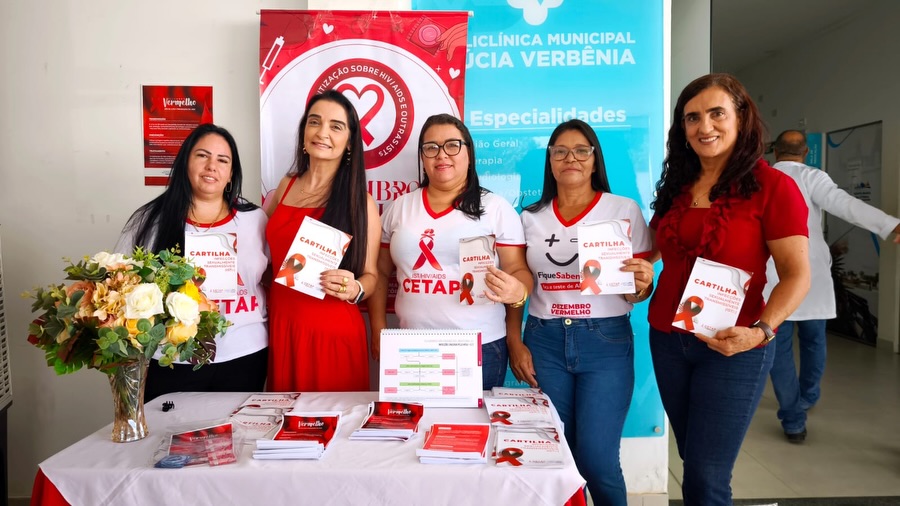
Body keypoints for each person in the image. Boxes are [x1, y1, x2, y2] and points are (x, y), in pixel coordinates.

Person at [649, 74, 810, 505]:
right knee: (694, 458)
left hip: (735, 347)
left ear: (742, 118)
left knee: (706, 476)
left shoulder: (774, 188)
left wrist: (762, 331)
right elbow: (655, 248)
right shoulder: (676, 188)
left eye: (717, 113)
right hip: (667, 341)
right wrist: (637, 272)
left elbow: (797, 274)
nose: (705, 127)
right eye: (692, 118)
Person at [512, 119, 655, 506]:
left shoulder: (623, 209)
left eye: (581, 150)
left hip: (604, 342)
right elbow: (515, 285)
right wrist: (515, 343)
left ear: (595, 160)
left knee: (598, 461)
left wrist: (643, 284)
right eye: (560, 151)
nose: (570, 158)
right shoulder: (529, 218)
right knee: (556, 458)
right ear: (550, 162)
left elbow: (636, 293)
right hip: (545, 340)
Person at [368, 113, 532, 389]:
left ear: (469, 153)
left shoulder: (495, 208)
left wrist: (519, 291)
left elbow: (517, 269)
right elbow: (380, 273)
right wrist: (378, 328)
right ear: (422, 157)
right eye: (431, 147)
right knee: (416, 429)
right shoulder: (401, 208)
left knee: (470, 430)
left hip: (479, 346)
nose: (442, 155)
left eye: (453, 145)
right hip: (411, 344)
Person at [116, 123, 269, 401]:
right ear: (185, 162)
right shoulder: (150, 220)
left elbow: (271, 282)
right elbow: (123, 288)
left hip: (245, 354)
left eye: (223, 160)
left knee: (237, 440)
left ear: (231, 174)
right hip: (172, 358)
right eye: (202, 156)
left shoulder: (255, 219)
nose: (212, 166)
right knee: (169, 441)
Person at [765, 129, 900, 443]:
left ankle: (793, 419)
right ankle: (807, 396)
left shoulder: (760, 179)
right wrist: (889, 223)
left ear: (775, 152)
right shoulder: (813, 177)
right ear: (807, 153)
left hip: (772, 277)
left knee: (778, 348)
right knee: (814, 341)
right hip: (811, 277)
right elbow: (846, 205)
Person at [264, 90, 380, 392]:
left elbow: (372, 277)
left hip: (331, 332)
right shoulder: (285, 186)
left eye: (336, 126)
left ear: (350, 141)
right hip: (282, 328)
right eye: (314, 122)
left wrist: (355, 288)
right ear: (304, 132)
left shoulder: (360, 201)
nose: (322, 132)